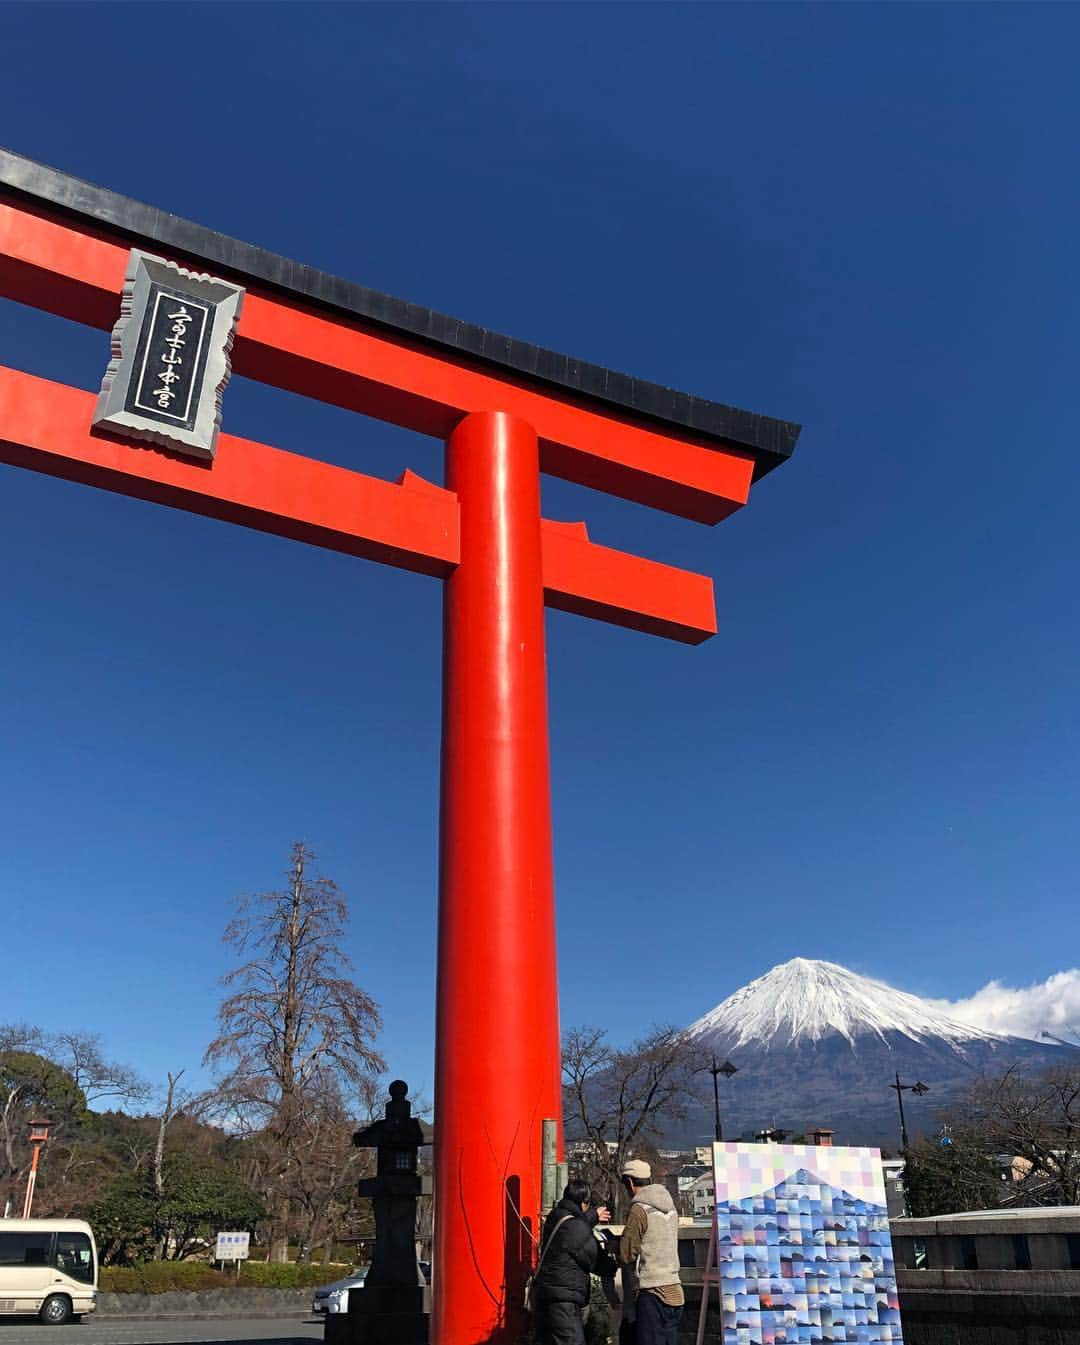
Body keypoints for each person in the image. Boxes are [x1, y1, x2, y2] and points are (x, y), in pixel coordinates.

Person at [533, 1179, 610, 1345]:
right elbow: (594, 1258)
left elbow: (573, 1227)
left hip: (546, 1296)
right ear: (584, 1202)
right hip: (563, 1301)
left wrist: (592, 1216)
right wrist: (613, 1264)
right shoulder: (576, 1227)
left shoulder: (556, 1216)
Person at [618, 1159, 683, 1345]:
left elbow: (626, 1253)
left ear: (629, 1182)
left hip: (652, 1293)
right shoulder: (671, 1208)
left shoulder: (639, 1210)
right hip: (675, 1291)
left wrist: (615, 1246)